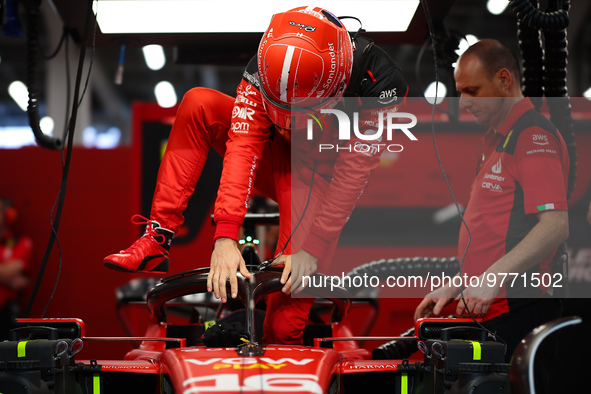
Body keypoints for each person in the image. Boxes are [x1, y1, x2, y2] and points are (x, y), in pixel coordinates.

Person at [104, 6, 408, 344]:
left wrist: (312, 248)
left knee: (283, 322)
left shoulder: (382, 86)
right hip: (276, 159)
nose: (289, 118)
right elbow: (242, 149)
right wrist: (225, 235)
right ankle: (157, 238)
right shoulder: (262, 70)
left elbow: (352, 176)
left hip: (322, 180)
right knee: (197, 102)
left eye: (299, 110)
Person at [414, 39, 568, 391]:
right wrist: (456, 284)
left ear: (503, 80)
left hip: (519, 313)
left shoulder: (532, 137)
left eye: (473, 90)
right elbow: (493, 235)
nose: (464, 102)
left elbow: (556, 225)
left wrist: (493, 276)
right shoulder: (495, 139)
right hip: (488, 311)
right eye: (460, 91)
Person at [0, 197, 32, 340]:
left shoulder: (21, 242)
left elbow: (15, 276)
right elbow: (10, 277)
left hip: (5, 313)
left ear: (8, 215)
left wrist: (7, 274)